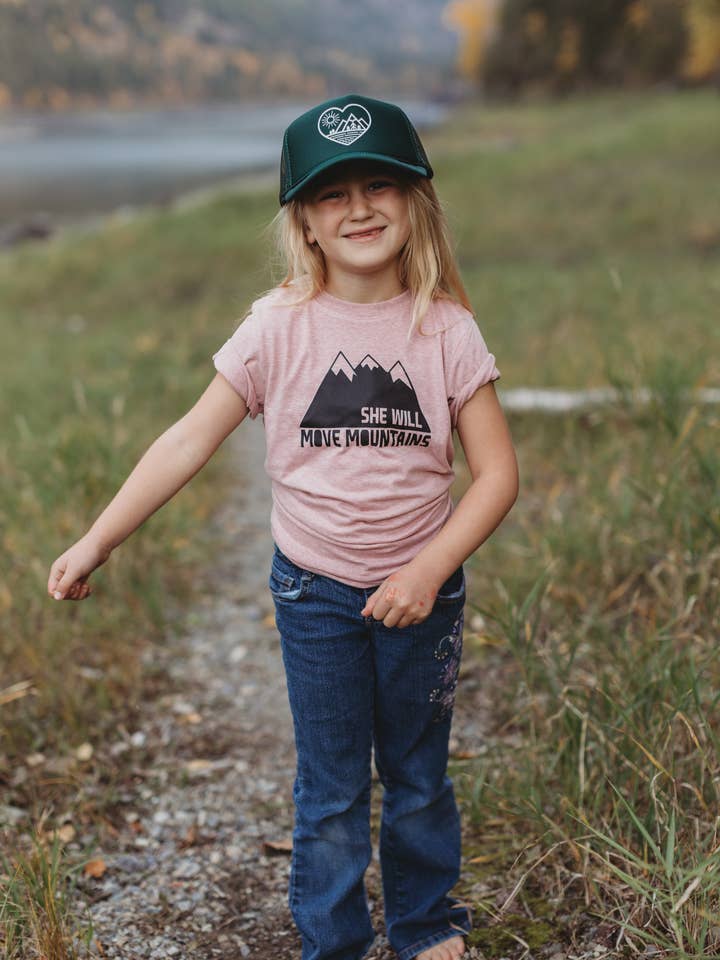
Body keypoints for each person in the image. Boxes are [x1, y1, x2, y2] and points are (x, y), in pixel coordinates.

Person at [47, 93, 519, 960]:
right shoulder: (277, 328)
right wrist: (98, 538)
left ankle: (425, 928)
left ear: (416, 201)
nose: (360, 207)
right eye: (333, 194)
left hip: (427, 589)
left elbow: (497, 476)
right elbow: (188, 438)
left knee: (416, 775)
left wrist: (428, 568)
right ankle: (332, 941)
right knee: (334, 784)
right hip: (316, 590)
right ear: (303, 221)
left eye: (381, 185)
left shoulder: (446, 329)